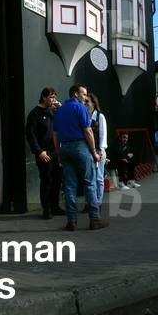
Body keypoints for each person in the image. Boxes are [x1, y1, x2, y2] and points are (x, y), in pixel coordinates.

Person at [52, 84, 110, 231]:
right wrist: (94, 152)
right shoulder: (80, 108)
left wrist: (59, 153)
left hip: (65, 148)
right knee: (90, 183)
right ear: (75, 94)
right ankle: (94, 219)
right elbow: (88, 130)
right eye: (83, 94)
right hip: (80, 147)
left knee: (69, 186)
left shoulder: (59, 111)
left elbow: (55, 135)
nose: (85, 97)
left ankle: (71, 221)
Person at [25, 87, 65, 219]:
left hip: (56, 151)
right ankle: (46, 209)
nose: (53, 100)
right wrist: (39, 152)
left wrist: (60, 109)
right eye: (51, 97)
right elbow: (30, 135)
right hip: (44, 152)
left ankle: (55, 206)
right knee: (46, 180)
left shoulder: (52, 112)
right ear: (43, 97)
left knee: (57, 180)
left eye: (54, 97)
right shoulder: (34, 114)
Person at [86, 93, 108, 205]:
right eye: (84, 102)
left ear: (93, 103)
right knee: (89, 179)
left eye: (87, 102)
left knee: (99, 178)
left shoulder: (100, 117)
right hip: (87, 151)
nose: (85, 104)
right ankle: (90, 202)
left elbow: (103, 135)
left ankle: (98, 203)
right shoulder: (84, 116)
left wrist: (101, 150)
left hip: (98, 151)